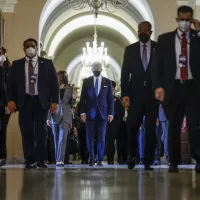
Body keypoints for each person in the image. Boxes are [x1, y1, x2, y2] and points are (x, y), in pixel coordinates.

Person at [153, 6, 200, 173]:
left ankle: (199, 158)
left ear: (192, 19)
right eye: (182, 19)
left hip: (193, 88)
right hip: (173, 88)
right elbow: (157, 65)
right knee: (173, 125)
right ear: (177, 19)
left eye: (188, 20)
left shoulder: (197, 38)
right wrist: (158, 86)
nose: (185, 23)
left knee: (195, 125)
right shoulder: (164, 39)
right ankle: (173, 162)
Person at [7, 38, 59, 169]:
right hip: (24, 101)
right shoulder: (17, 64)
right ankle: (30, 160)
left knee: (41, 131)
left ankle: (41, 159)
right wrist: (10, 100)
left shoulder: (47, 63)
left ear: (37, 48)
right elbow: (10, 85)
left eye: (33, 46)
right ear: (24, 49)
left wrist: (54, 101)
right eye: (27, 46)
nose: (30, 48)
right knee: (26, 131)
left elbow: (54, 84)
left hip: (41, 101)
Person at [121, 21, 159, 170]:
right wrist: (125, 94)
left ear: (150, 31)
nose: (143, 32)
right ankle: (132, 155)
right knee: (132, 127)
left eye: (145, 30)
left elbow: (162, 71)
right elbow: (125, 73)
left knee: (150, 129)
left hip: (152, 96)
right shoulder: (130, 50)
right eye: (140, 30)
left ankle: (148, 160)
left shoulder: (158, 48)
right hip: (135, 95)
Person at [80, 62, 114, 166]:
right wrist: (82, 112)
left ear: (101, 69)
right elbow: (83, 98)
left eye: (98, 68)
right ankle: (91, 158)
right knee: (89, 137)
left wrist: (111, 113)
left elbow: (110, 98)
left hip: (103, 114)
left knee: (101, 138)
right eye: (94, 68)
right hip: (90, 113)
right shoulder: (86, 81)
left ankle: (99, 159)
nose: (96, 70)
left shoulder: (107, 82)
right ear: (91, 69)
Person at [47, 71, 75, 167]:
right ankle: (57, 159)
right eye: (64, 76)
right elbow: (49, 104)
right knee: (56, 138)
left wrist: (74, 99)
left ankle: (61, 160)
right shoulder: (53, 88)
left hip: (66, 115)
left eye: (66, 76)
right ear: (59, 77)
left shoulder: (70, 89)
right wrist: (48, 118)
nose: (65, 78)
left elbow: (71, 105)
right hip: (54, 114)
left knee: (63, 138)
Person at [106, 81, 124, 164]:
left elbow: (122, 110)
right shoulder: (104, 99)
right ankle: (110, 159)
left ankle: (120, 158)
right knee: (110, 142)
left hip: (117, 123)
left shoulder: (118, 99)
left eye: (112, 87)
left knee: (120, 142)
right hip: (109, 124)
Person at [0, 46, 11, 167]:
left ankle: (2, 156)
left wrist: (9, 103)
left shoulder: (8, 67)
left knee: (3, 129)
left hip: (5, 104)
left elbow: (8, 87)